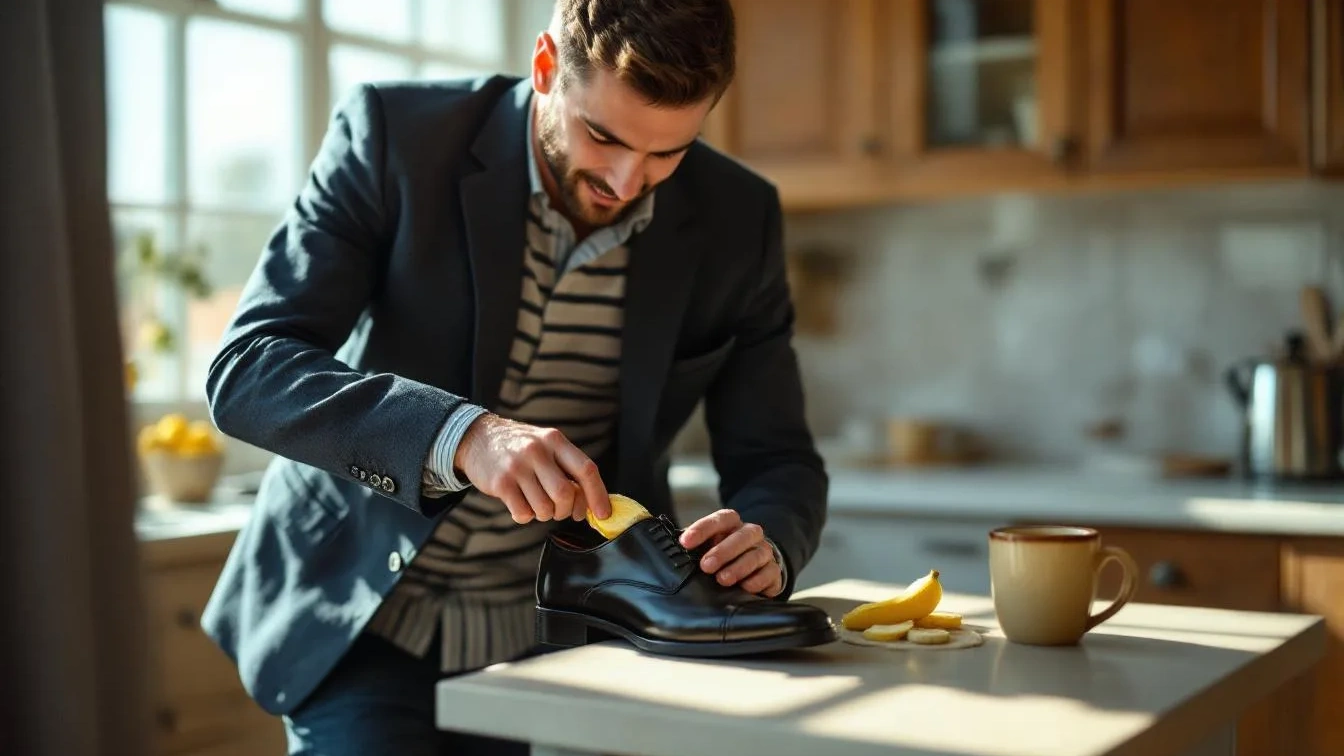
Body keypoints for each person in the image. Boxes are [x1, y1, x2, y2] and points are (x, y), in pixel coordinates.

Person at [200, 0, 828, 753]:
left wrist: (770, 543)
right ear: (544, 68)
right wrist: (463, 436)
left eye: (669, 153)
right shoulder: (394, 138)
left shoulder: (740, 218)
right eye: (603, 135)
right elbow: (249, 367)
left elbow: (777, 458)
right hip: (359, 618)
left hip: (561, 642)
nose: (629, 181)